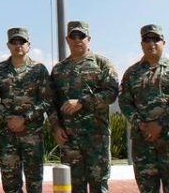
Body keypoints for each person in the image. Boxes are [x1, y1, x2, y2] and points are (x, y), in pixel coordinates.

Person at [51, 20, 119, 193]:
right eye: (73, 36)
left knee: (99, 186)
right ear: (67, 39)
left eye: (81, 36)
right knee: (73, 187)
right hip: (70, 141)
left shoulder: (102, 64)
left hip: (96, 139)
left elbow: (111, 93)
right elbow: (51, 102)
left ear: (89, 39)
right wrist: (56, 126)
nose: (77, 40)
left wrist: (82, 102)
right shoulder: (59, 70)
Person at [119, 25, 169, 193]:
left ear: (163, 42)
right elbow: (125, 102)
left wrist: (160, 124)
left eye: (156, 39)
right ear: (141, 44)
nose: (151, 43)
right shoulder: (132, 73)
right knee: (147, 189)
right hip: (143, 141)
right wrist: (141, 124)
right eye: (147, 40)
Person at [0, 27, 52, 193]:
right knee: (10, 184)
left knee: (34, 183)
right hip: (7, 135)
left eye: (22, 41)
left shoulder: (39, 70)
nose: (18, 45)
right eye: (14, 42)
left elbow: (47, 100)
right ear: (8, 45)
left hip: (32, 134)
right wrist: (8, 119)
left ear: (29, 45)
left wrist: (25, 118)